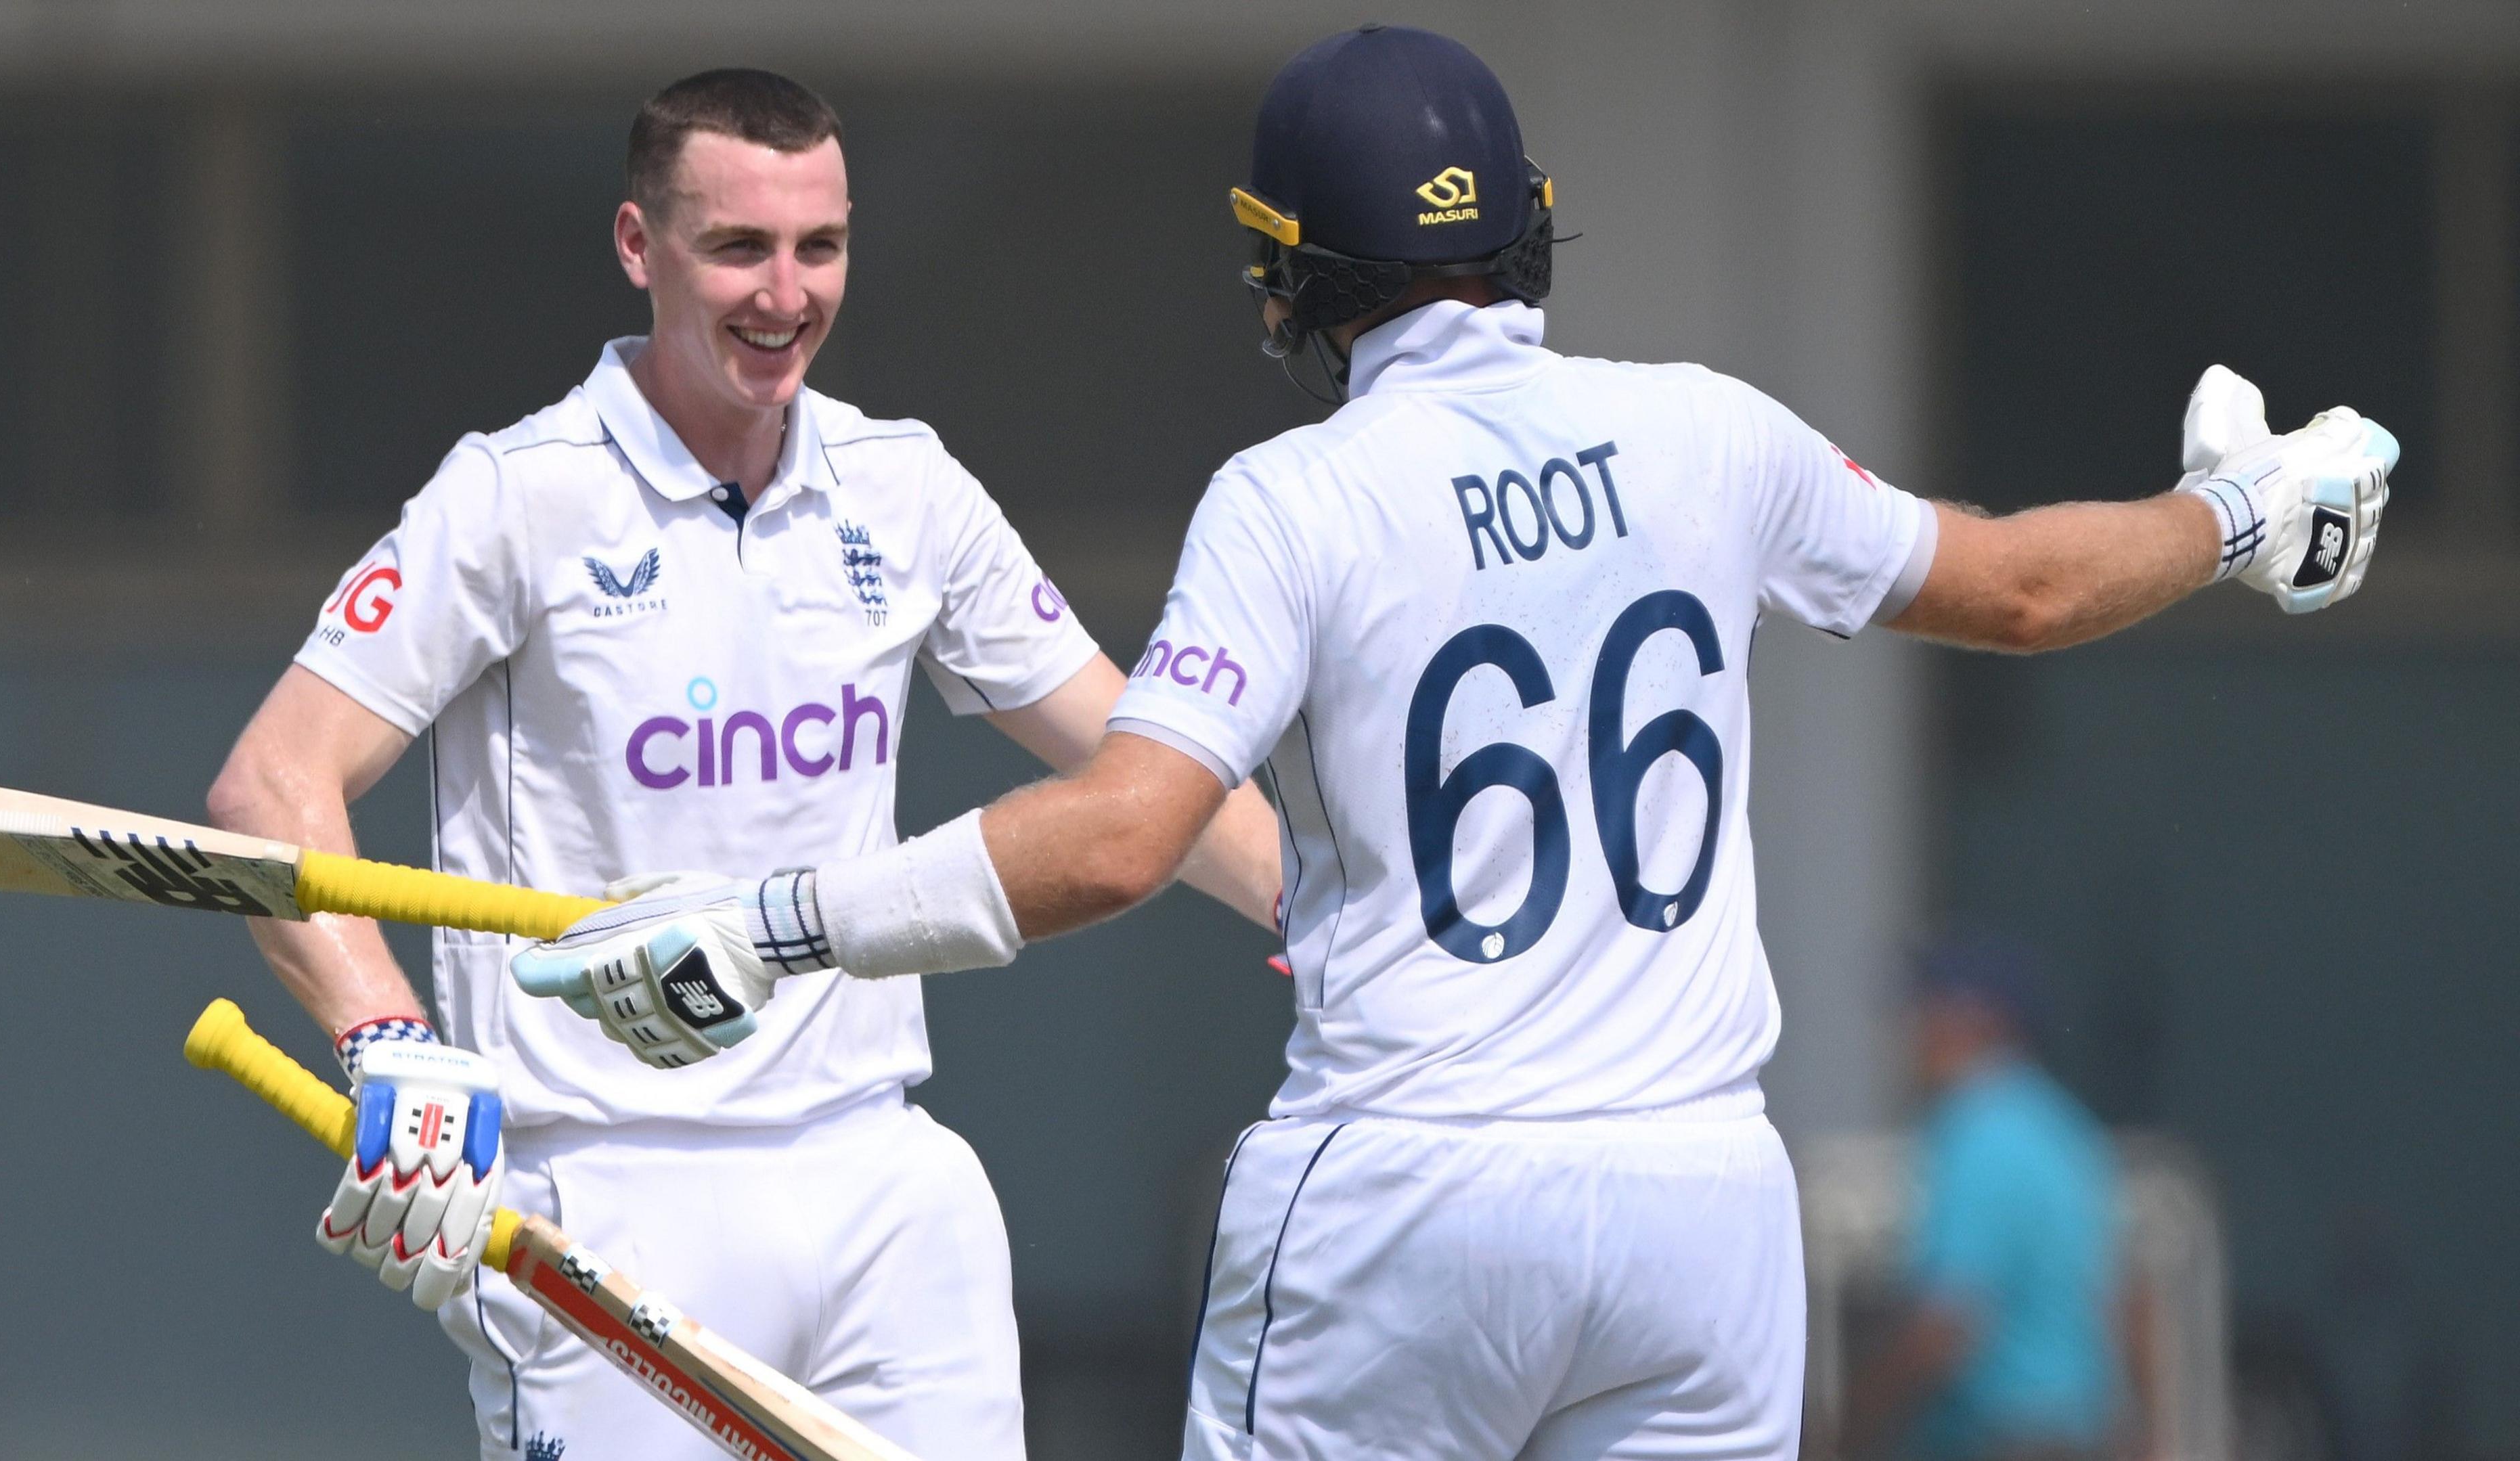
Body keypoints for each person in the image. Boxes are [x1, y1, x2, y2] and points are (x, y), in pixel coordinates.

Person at [508, 25, 2395, 1461]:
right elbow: (2030, 588)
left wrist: (772, 924)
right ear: (1527, 232)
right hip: (1699, 1199)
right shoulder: (1702, 430)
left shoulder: (1295, 497)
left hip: (1407, 1194)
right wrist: (2238, 517)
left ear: (1294, 269)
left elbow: (1115, 838)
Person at [204, 67, 1282, 1461]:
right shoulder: (515, 495)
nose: (785, 294)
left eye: (817, 247)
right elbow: (271, 785)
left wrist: (1326, 918)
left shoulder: (907, 489)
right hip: (603, 1190)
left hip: (880, 1173)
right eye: (737, 248)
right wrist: (389, 1042)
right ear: (639, 247)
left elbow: (1153, 767)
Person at [1838, 939, 2142, 1461]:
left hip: (2002, 1441)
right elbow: (2129, 1302)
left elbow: (1944, 1325)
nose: (1909, 1034)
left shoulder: (1976, 1132)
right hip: (2081, 1436)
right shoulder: (2065, 1129)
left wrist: (1844, 1431)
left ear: (1971, 1019)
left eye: (1923, 1010)